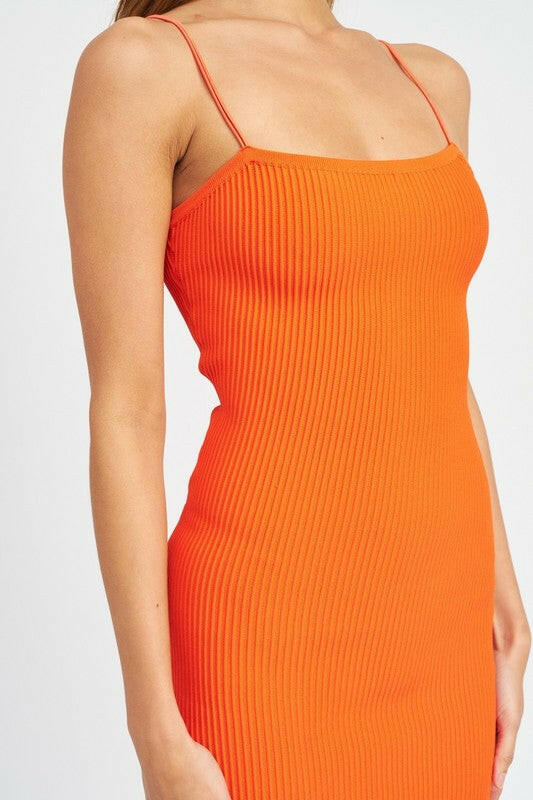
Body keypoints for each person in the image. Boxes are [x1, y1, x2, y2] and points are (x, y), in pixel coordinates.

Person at [62, 1, 530, 798]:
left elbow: (438, 362)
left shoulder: (432, 79)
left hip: (441, 625)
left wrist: (504, 594)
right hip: (270, 627)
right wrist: (155, 731)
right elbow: (127, 413)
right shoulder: (146, 67)